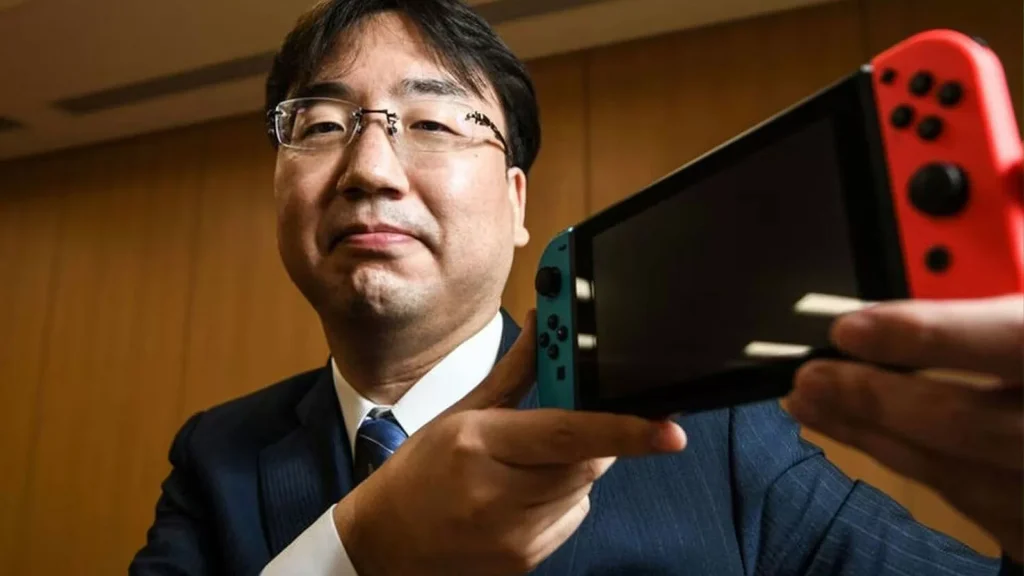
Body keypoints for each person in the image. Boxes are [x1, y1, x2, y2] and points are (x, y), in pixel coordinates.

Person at [128, 1, 1024, 574]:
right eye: (322, 125)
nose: (370, 168)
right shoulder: (218, 456)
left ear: (517, 202)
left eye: (434, 122)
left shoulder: (710, 433)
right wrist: (352, 553)